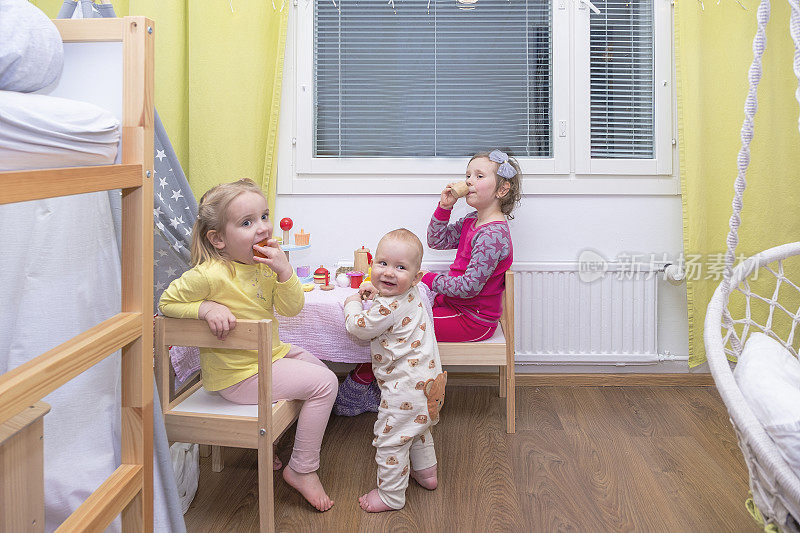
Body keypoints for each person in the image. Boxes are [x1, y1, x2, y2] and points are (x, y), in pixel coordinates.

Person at [159, 178, 337, 512]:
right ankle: (302, 468)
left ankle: (269, 442)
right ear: (219, 239)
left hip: (271, 356)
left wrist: (285, 272)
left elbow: (292, 308)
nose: (262, 228)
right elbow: (166, 302)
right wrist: (205, 308)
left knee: (322, 373)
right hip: (239, 376)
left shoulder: (266, 266)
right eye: (247, 222)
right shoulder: (210, 274)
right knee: (326, 384)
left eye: (265, 216)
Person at [333, 149, 521, 415]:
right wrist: (445, 207)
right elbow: (437, 240)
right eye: (468, 174)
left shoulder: (492, 235)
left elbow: (468, 287)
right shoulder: (473, 221)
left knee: (391, 326)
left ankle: (356, 391)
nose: (468, 181)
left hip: (472, 320)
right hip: (453, 307)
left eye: (479, 176)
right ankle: (382, 386)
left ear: (502, 190)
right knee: (394, 311)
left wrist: (426, 279)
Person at [343, 229, 447, 512]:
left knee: (391, 440)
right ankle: (427, 474)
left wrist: (352, 303)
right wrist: (376, 292)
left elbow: (358, 327)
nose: (389, 273)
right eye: (383, 264)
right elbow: (391, 302)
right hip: (430, 384)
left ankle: (390, 495)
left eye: (400, 268)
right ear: (372, 264)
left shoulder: (387, 307)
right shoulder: (411, 294)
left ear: (415, 277)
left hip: (404, 389)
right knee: (418, 427)